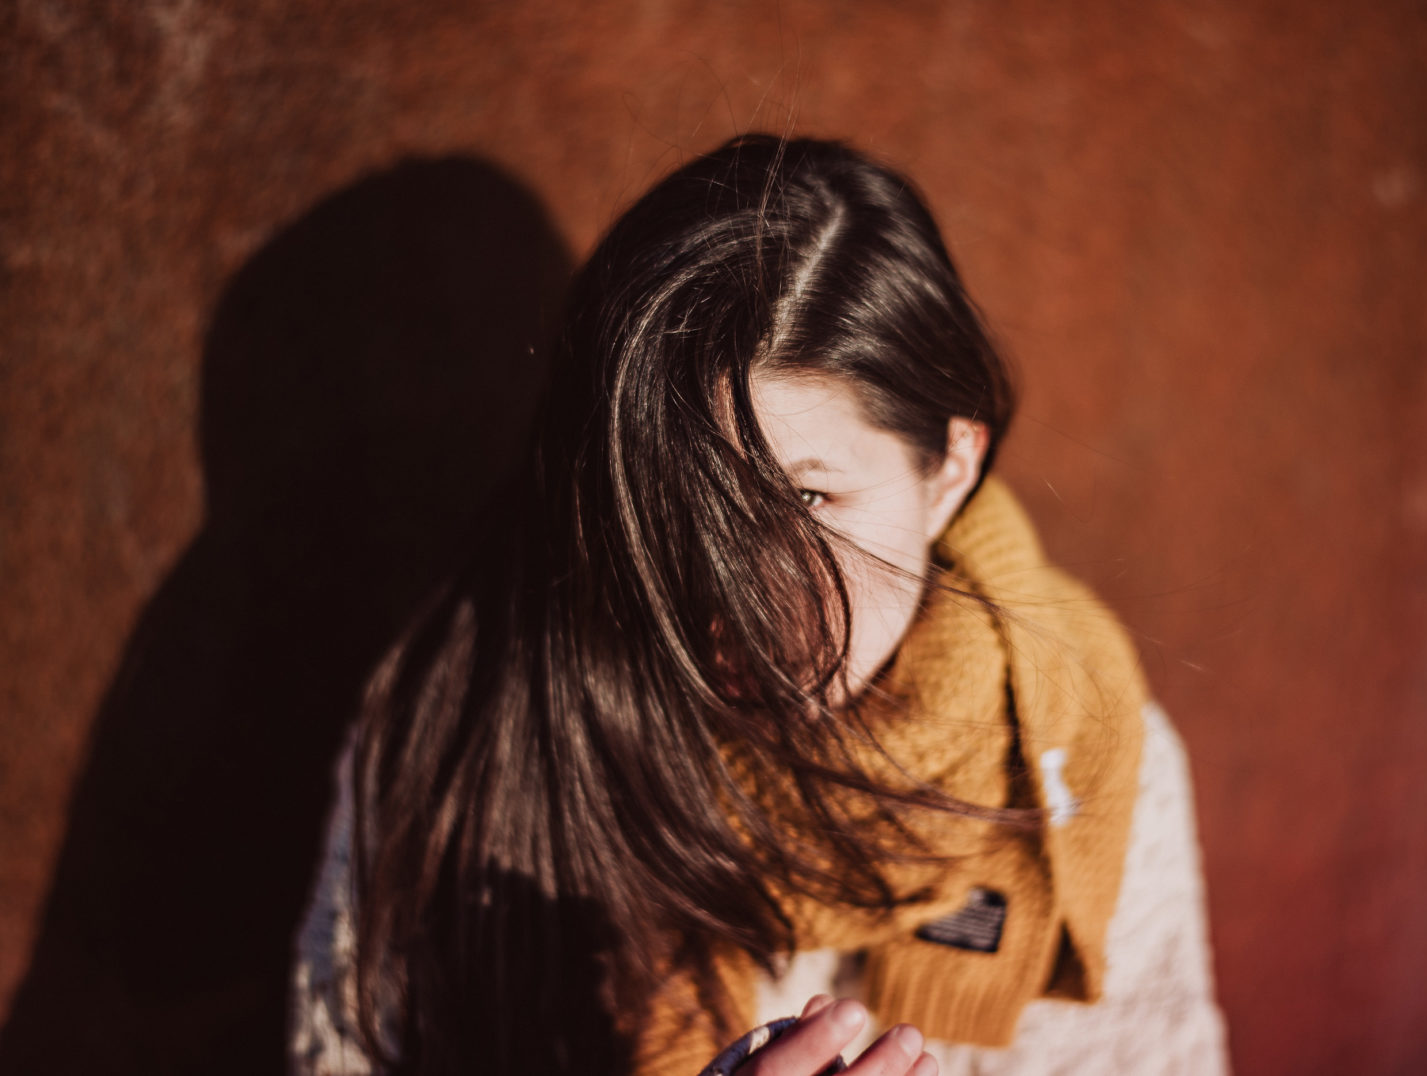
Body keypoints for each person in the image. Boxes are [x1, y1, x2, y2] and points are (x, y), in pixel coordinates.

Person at [290, 134, 1227, 1075]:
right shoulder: (460, 736)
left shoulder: (1079, 760)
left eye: (809, 503)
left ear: (951, 468)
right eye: (675, 509)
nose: (729, 599)